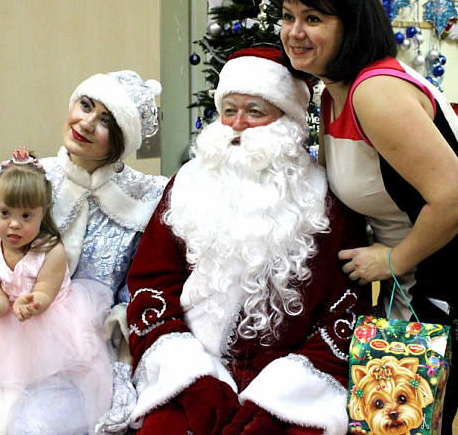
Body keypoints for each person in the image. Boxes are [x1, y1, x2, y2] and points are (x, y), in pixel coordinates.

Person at [125, 47, 372, 435]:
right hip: (191, 369)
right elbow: (151, 285)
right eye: (229, 109)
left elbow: (345, 313)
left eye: (255, 111)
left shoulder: (327, 199)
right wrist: (194, 381)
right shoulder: (187, 184)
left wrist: (276, 401)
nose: (237, 124)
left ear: (288, 121)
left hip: (289, 386)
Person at [275, 0, 458, 432]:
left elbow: (455, 196)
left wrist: (392, 260)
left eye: (313, 19)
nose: (295, 31)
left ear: (351, 26)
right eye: (288, 15)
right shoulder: (335, 90)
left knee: (393, 426)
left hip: (438, 283)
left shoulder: (374, 92)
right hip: (413, 280)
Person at [0, 71, 168, 434]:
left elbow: (137, 291)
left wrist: (123, 357)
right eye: (85, 105)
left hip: (81, 352)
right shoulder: (30, 179)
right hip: (3, 337)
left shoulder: (142, 202)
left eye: (105, 121)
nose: (85, 122)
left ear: (120, 141)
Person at [0, 148, 114, 434]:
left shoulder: (51, 251)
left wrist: (34, 302)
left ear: (43, 213)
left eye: (26, 215)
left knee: (49, 390)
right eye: (5, 213)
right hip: (2, 328)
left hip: (48, 323)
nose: (14, 223)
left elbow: (46, 293)